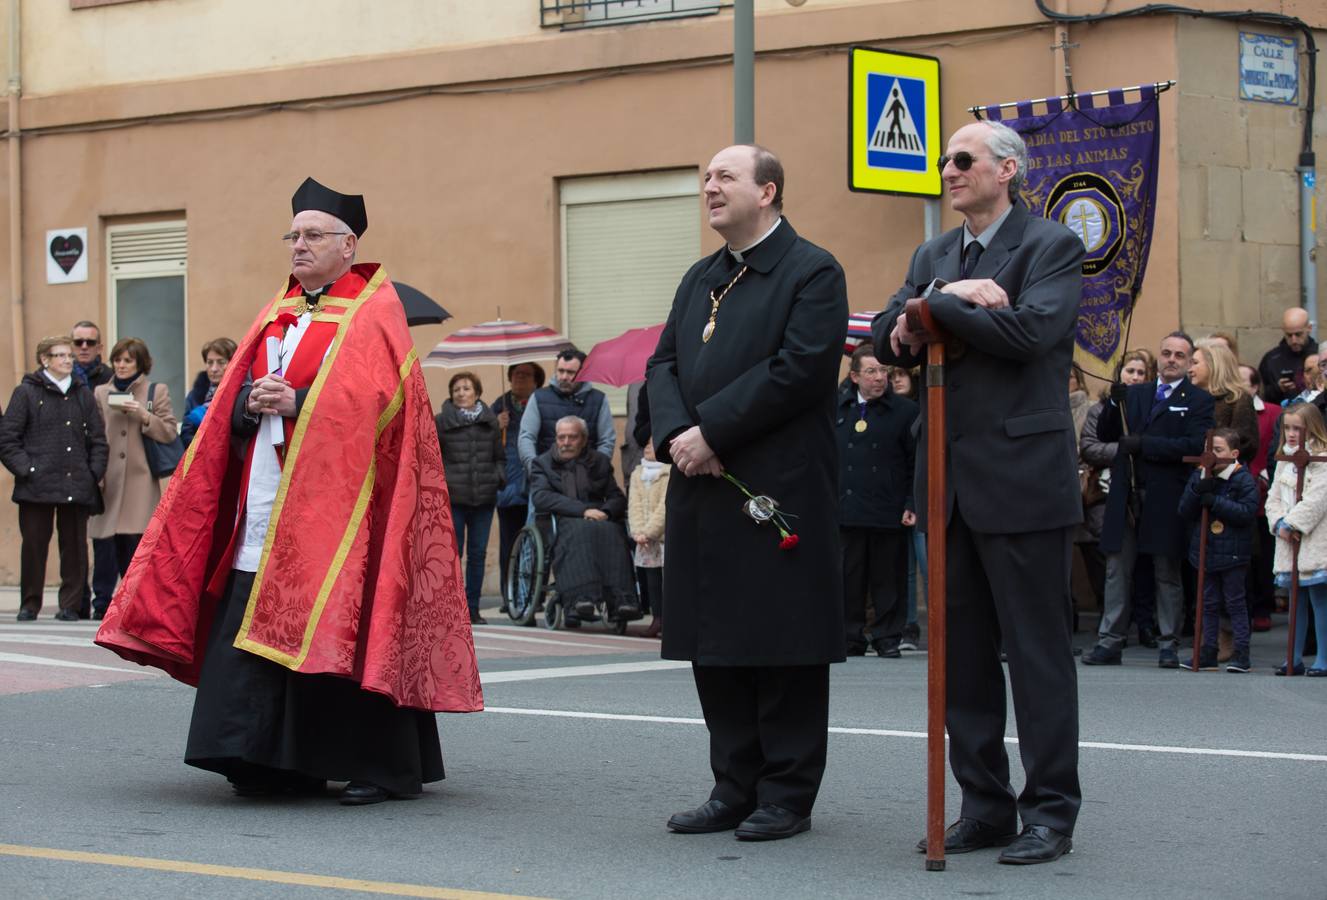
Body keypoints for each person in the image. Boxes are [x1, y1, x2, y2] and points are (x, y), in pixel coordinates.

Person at [94, 176, 482, 804]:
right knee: (255, 610)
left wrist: (301, 401)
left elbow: (384, 410)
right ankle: (267, 758)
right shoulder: (277, 309)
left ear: (347, 244)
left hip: (343, 508)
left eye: (312, 236)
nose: (297, 246)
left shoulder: (372, 312)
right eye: (292, 235)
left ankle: (380, 766)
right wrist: (248, 403)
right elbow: (234, 406)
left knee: (344, 618)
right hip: (268, 496)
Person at [874, 120, 1083, 864]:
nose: (947, 170)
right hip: (946, 482)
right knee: (957, 657)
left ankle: (1051, 811)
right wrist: (951, 291)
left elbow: (1030, 333)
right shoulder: (935, 252)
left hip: (1022, 478)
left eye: (962, 160)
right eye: (942, 161)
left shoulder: (1050, 245)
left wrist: (932, 309)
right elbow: (878, 336)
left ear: (1007, 170)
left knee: (1036, 655)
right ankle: (984, 805)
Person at [649, 143, 846, 843]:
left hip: (774, 486)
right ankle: (732, 786)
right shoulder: (700, 276)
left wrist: (713, 434)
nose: (708, 186)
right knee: (717, 644)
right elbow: (663, 361)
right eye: (704, 176)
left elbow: (799, 370)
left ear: (766, 192)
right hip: (700, 484)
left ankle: (785, 793)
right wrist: (677, 432)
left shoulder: (811, 270)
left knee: (780, 642)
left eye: (724, 177)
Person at [1089, 332, 1215, 668]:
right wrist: (1114, 403)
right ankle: (1110, 641)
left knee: (1166, 570)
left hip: (1166, 494)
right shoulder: (1136, 393)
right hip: (1126, 492)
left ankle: (1168, 642)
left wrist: (1145, 445)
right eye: (1166, 353)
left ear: (1189, 362)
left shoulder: (1198, 400)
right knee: (1117, 568)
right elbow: (1105, 434)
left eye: (1179, 355)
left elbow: (1192, 445)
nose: (1171, 359)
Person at [0, 336, 108, 621]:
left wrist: (92, 473)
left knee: (74, 547)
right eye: (60, 355)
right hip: (35, 485)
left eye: (69, 356)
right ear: (45, 360)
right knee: (34, 545)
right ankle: (29, 603)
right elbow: (8, 439)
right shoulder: (25, 393)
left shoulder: (82, 393)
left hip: (76, 483)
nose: (68, 360)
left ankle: (70, 605)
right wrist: (27, 469)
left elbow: (98, 439)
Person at [837, 346, 916, 657]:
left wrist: (911, 502)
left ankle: (887, 636)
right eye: (871, 372)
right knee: (848, 577)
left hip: (888, 508)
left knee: (889, 578)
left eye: (883, 371)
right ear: (855, 376)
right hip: (846, 507)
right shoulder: (838, 409)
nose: (880, 378)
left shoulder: (905, 412)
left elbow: (914, 464)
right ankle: (850, 636)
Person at [89, 337, 178, 616]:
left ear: (140, 363)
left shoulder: (155, 390)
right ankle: (101, 602)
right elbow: (94, 433)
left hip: (140, 478)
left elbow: (169, 432)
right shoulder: (101, 393)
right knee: (103, 543)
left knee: (135, 545)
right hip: (108, 478)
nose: (122, 365)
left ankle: (131, 603)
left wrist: (143, 415)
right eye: (118, 360)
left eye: (128, 360)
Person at [529, 415, 637, 626]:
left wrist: (606, 511)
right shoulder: (542, 463)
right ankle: (580, 598)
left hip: (599, 519)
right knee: (579, 530)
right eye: (562, 437)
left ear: (584, 439)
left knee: (613, 531)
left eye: (572, 437)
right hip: (562, 520)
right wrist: (584, 510)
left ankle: (622, 600)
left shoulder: (599, 462)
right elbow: (541, 497)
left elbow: (616, 496)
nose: (566, 442)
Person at [1078, 350, 1155, 638]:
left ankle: (1146, 623)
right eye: (1129, 371)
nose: (1135, 377)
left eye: (1140, 372)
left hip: (1143, 491)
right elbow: (1089, 446)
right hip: (1108, 494)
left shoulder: (1152, 406)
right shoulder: (1101, 408)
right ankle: (1112, 627)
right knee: (1113, 563)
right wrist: (1122, 451)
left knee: (1148, 563)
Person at [1176, 427, 1259, 672]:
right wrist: (1197, 491)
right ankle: (1208, 650)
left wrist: (1216, 501)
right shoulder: (1201, 474)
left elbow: (1246, 512)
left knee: (1235, 602)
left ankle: (1241, 653)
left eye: (1218, 450)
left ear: (1233, 453)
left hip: (1232, 552)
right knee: (1207, 602)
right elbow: (1184, 510)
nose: (1211, 454)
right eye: (1207, 449)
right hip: (1205, 549)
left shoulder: (1242, 478)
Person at [435, 370, 504, 625]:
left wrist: (499, 476)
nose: (461, 393)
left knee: (478, 554)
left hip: (485, 498)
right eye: (457, 390)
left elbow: (499, 455)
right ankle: (452, 608)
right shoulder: (441, 421)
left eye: (466, 388)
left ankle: (472, 608)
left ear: (476, 392)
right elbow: (433, 457)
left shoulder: (491, 422)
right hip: (453, 498)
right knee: (452, 554)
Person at [1266, 403, 1327, 677]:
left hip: (1314, 537)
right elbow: (1273, 497)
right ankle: (1293, 656)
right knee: (1295, 601)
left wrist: (1294, 523)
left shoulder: (1322, 458)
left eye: (1297, 429)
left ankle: (1323, 658)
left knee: (1319, 600)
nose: (1291, 434)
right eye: (1287, 428)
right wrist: (1279, 522)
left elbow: (1318, 498)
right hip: (1288, 539)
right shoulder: (1284, 460)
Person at [491, 362, 544, 605]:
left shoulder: (542, 402)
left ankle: (533, 593)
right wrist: (495, 425)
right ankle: (508, 595)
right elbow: (484, 443)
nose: (519, 379)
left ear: (537, 380)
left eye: (526, 375)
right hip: (508, 483)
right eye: (516, 374)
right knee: (509, 542)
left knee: (536, 541)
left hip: (536, 481)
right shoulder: (498, 406)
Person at [71, 320, 113, 618]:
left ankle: (102, 602)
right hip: (68, 468)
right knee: (73, 539)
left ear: (99, 347)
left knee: (103, 539)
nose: (83, 347)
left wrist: (99, 469)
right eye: (78, 342)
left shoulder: (110, 378)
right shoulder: (62, 377)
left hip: (102, 466)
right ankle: (76, 601)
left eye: (89, 342)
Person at [517, 349, 615, 471]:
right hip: (547, 477)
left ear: (583, 373)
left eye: (570, 372)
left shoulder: (599, 400)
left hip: (588, 476)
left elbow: (606, 441)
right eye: (560, 371)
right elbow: (526, 437)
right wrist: (534, 469)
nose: (564, 377)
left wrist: (597, 470)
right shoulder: (538, 398)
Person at [1241, 363, 1281, 633]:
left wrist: (1264, 478)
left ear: (1255, 386)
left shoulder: (1273, 413)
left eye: (1244, 381)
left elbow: (1274, 447)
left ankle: (1263, 606)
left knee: (1264, 554)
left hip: (1263, 489)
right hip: (1241, 489)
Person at [889, 365, 925, 651]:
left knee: (929, 564)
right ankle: (909, 625)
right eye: (893, 376)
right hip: (899, 498)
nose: (895, 380)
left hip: (922, 497)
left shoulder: (921, 407)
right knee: (906, 570)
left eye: (901, 375)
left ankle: (941, 623)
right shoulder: (891, 410)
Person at [1190, 340, 1258, 463]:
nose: (1189, 369)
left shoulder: (1238, 398)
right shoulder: (1189, 397)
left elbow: (1246, 443)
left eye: (1195, 363)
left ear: (1214, 364)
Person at [627, 439, 669, 638]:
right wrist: (637, 532)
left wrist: (650, 531)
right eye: (646, 444)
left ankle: (670, 620)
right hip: (643, 537)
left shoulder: (669, 472)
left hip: (662, 535)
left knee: (668, 579)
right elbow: (633, 504)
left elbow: (665, 507)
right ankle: (657, 618)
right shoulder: (638, 473)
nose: (647, 447)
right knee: (652, 580)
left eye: (653, 444)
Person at [181, 338, 237, 448]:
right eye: (209, 362)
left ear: (233, 363)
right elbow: (186, 433)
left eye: (221, 362)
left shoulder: (241, 394)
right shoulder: (195, 396)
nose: (214, 369)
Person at [1258, 307, 1318, 405]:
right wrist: (1277, 389)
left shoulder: (1321, 355)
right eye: (1289, 335)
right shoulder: (1271, 359)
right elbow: (1259, 394)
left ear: (1309, 328)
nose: (1294, 340)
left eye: (1298, 334)